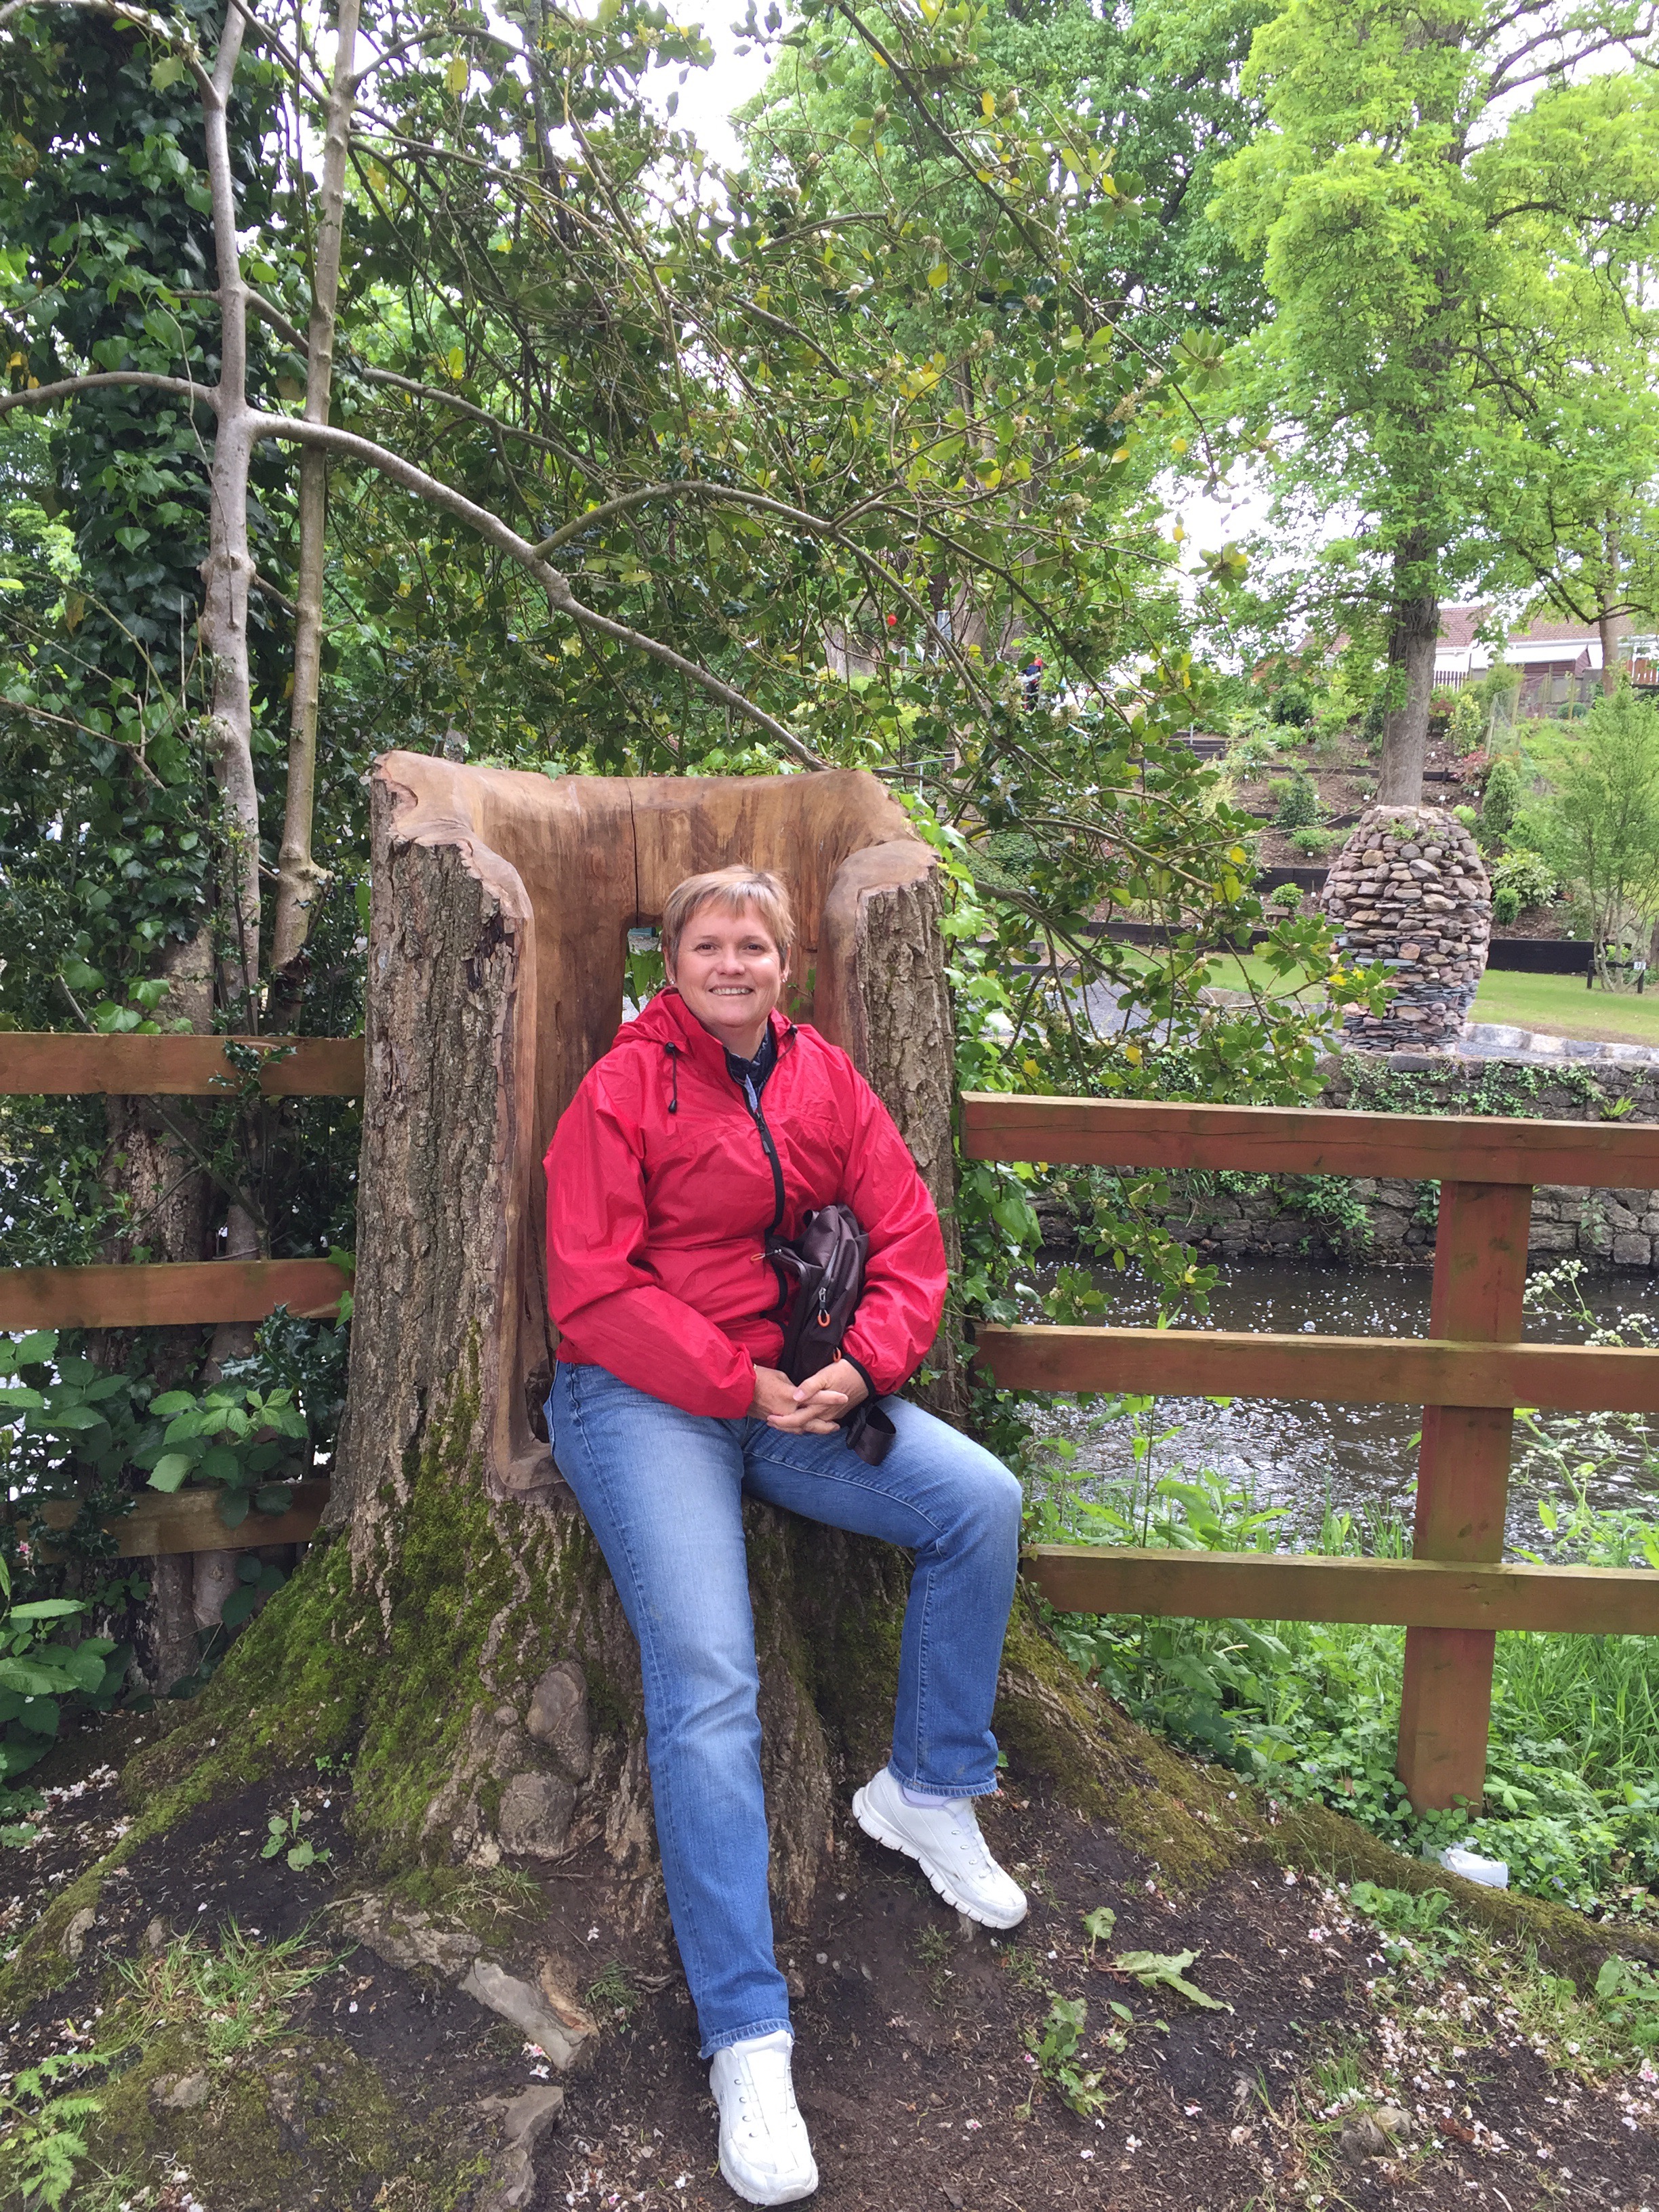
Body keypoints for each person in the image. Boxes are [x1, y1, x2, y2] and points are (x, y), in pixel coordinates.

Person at [544, 865, 1027, 2208]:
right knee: (710, 1677)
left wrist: (865, 1365)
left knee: (978, 1503)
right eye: (709, 944)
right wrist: (728, 1379)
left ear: (784, 963)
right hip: (641, 1395)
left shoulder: (825, 1080)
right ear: (673, 963)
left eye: (753, 944)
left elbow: (911, 1236)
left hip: (796, 1388)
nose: (733, 963)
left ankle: (925, 1788)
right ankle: (747, 2038)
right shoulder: (622, 1091)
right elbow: (588, 1286)